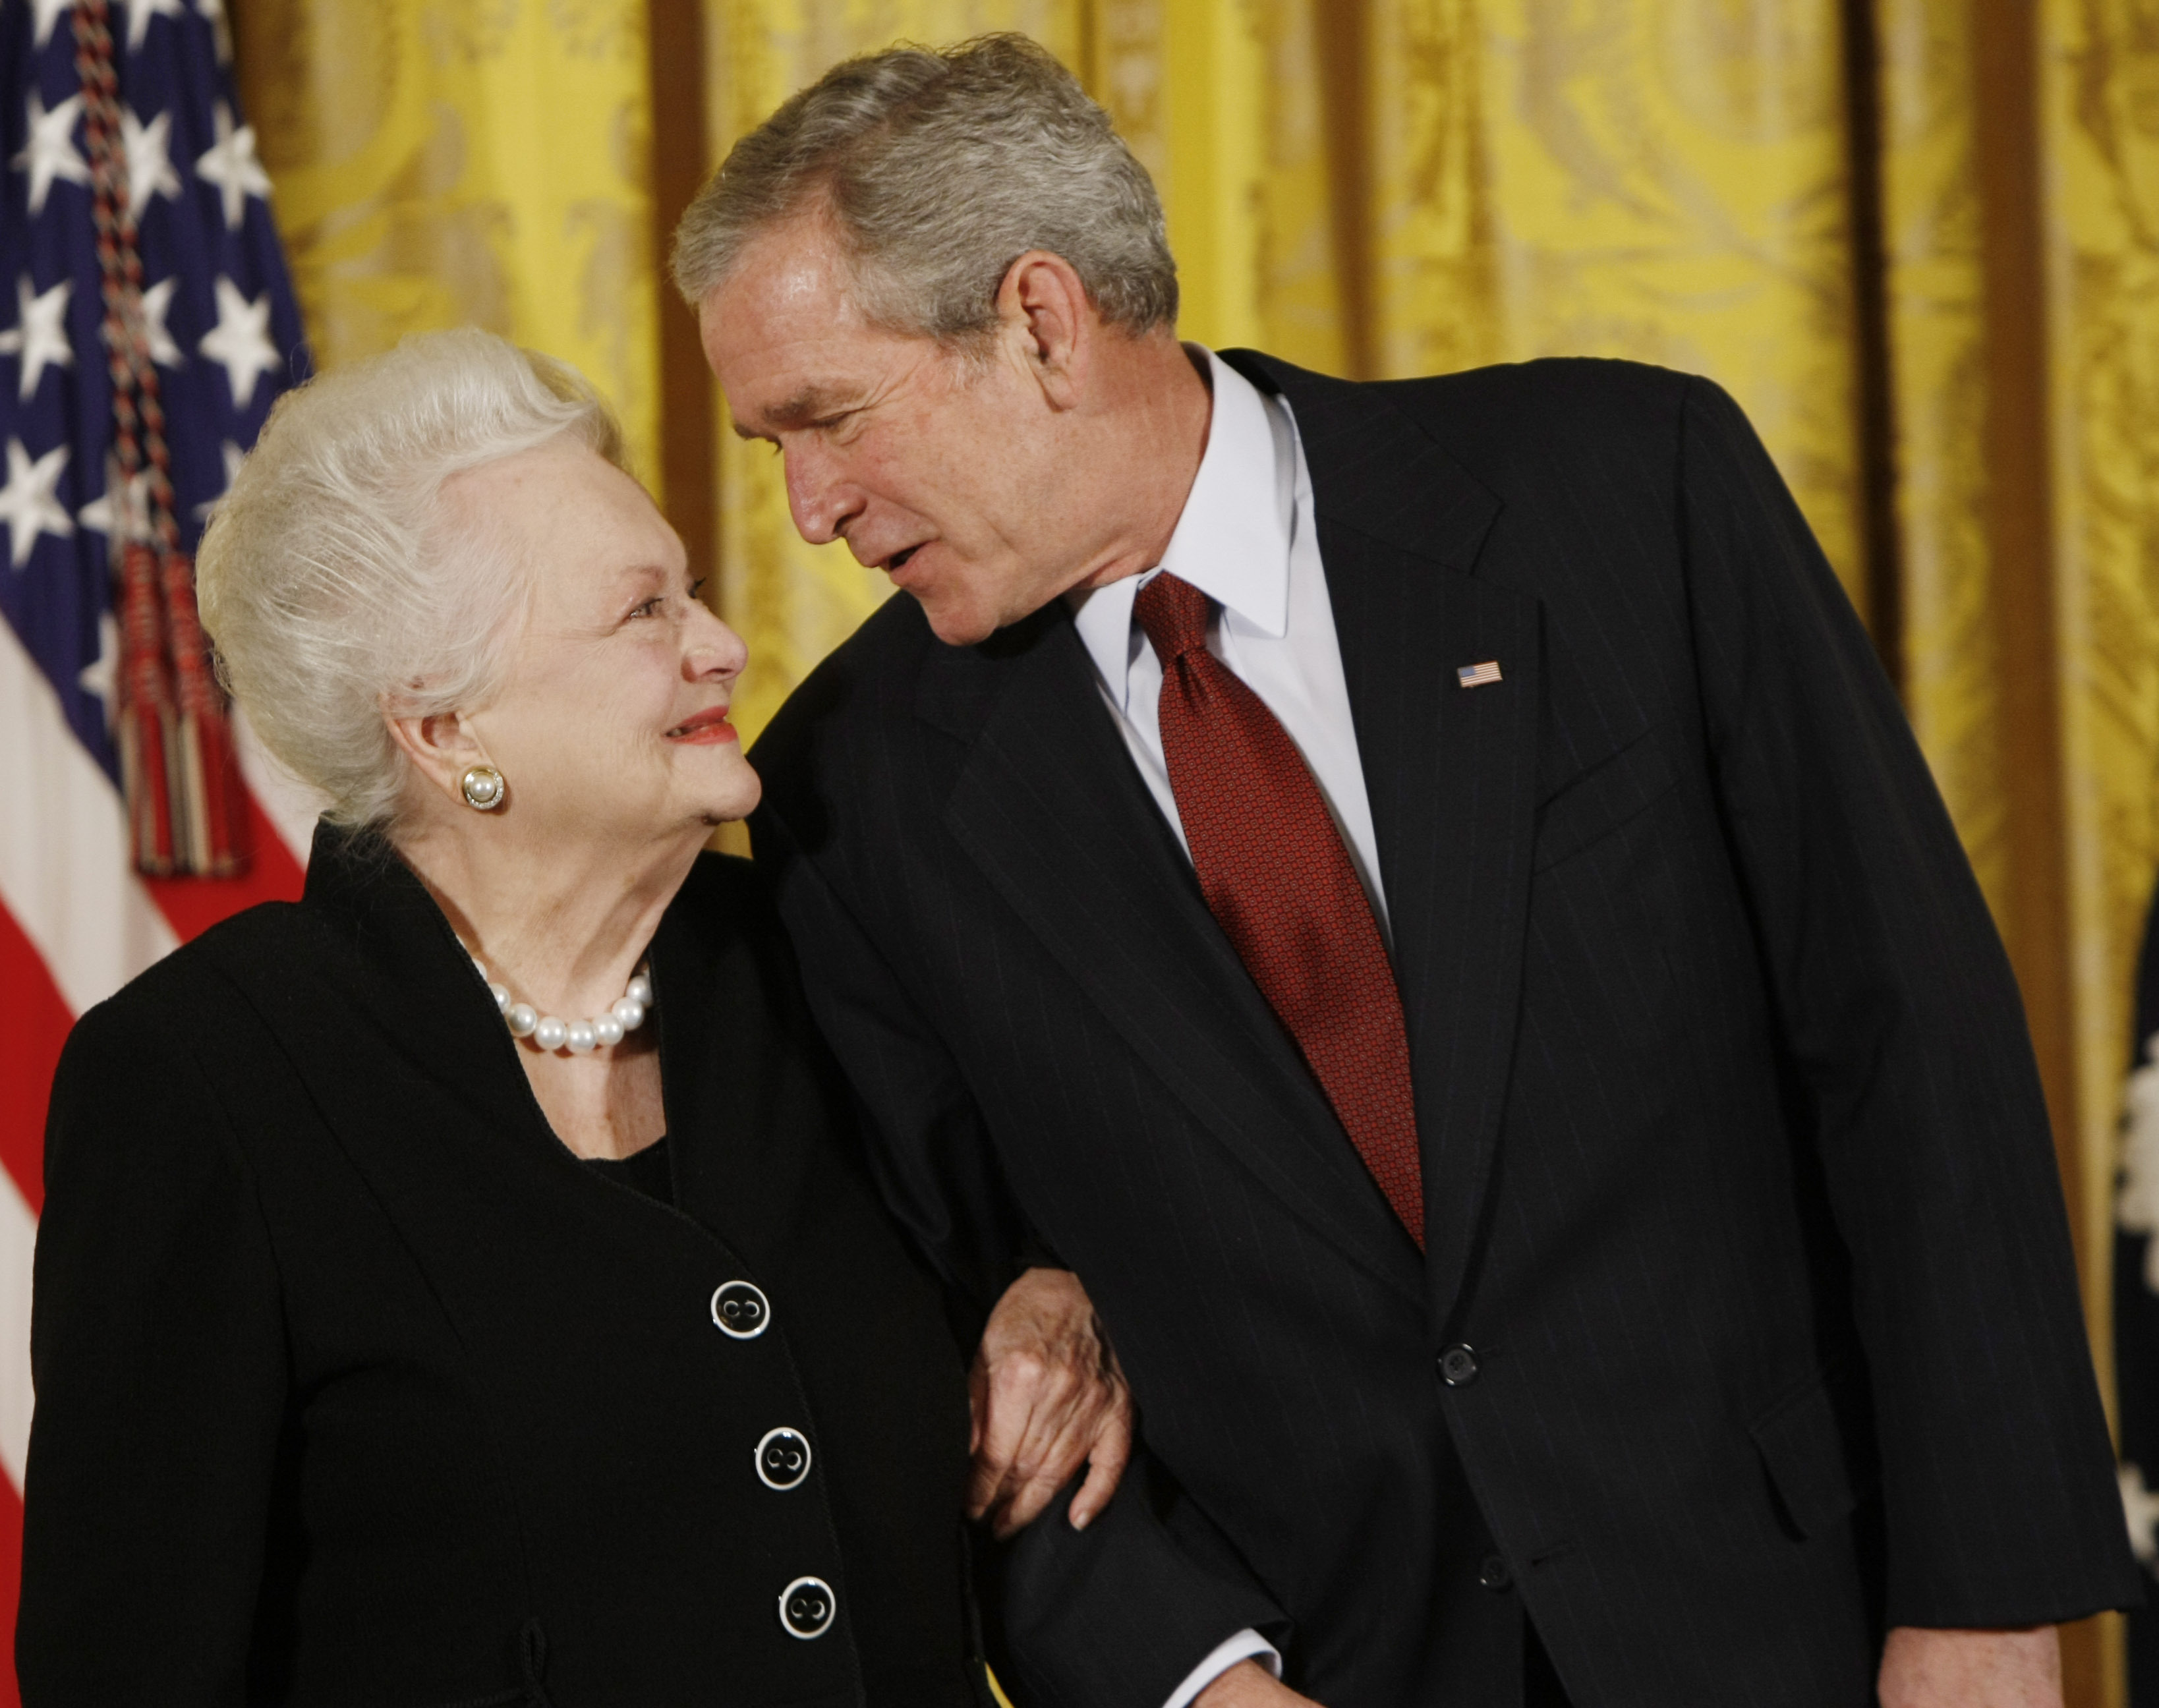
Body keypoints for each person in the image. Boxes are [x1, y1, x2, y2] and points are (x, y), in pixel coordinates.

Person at [672, 34, 2143, 1708]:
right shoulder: (848, 794)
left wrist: (1990, 1603)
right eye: (769, 449)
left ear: (1040, 321)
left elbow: (1907, 1049)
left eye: (829, 420)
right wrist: (1195, 1679)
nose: (807, 509)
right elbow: (933, 1344)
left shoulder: (1622, 494)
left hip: (1801, 1626)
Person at [17, 329, 1129, 1707]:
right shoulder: (203, 1075)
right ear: (443, 727)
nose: (722, 649)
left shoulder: (815, 959)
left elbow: (1073, 1224)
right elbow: (127, 1664)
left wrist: (1061, 1290)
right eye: (640, 614)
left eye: (695, 595)